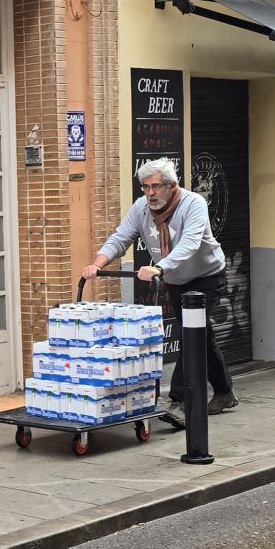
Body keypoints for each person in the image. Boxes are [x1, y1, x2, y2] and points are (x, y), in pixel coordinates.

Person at [82, 157, 237, 427]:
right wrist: (98, 264)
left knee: (191, 335)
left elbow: (190, 243)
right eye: (145, 187)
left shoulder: (193, 204)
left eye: (156, 187)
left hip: (206, 277)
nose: (150, 193)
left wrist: (159, 267)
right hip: (175, 279)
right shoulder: (141, 208)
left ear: (171, 185)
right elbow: (121, 237)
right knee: (201, 334)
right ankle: (224, 392)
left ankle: (180, 401)